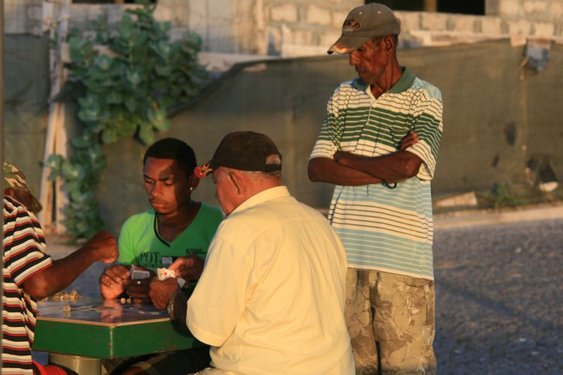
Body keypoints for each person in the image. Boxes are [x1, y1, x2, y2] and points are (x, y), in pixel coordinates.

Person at [308, 3, 443, 374]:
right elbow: (318, 168)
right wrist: (387, 168)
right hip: (346, 262)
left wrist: (348, 160)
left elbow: (408, 165)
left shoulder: (425, 97)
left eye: (360, 49)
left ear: (387, 44)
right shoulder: (342, 97)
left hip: (402, 265)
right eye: (349, 51)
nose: (353, 60)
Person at [149, 130, 355, 374]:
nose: (216, 194)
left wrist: (172, 297)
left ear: (235, 180)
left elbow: (208, 330)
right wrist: (208, 269)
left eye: (216, 183)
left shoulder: (238, 228)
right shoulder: (318, 223)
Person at [98, 137, 223, 374]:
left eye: (167, 182)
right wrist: (116, 286)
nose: (155, 192)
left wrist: (204, 270)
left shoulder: (217, 224)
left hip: (193, 342)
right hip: (139, 338)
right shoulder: (134, 227)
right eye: (148, 181)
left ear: (192, 181)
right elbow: (120, 299)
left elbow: (229, 292)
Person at [2, 161, 118, 375]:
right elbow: (39, 283)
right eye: (28, 205)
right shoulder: (11, 211)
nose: (30, 213)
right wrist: (93, 250)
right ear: (12, 192)